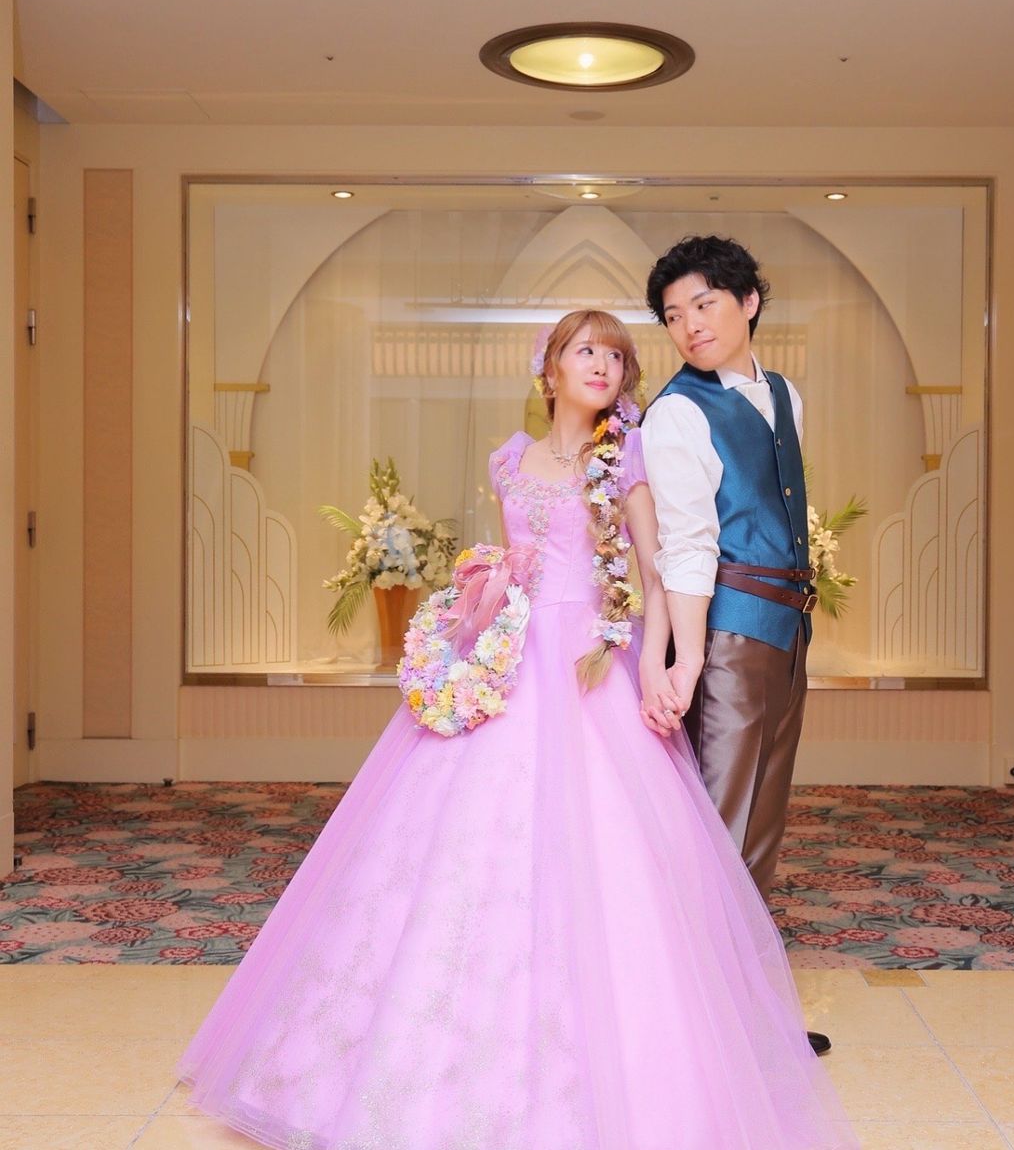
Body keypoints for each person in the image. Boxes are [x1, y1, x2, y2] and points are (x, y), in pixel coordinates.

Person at [178, 310, 854, 1149]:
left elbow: (652, 571)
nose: (602, 365)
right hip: (514, 657)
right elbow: (513, 558)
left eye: (615, 355)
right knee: (456, 852)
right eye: (584, 351)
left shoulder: (628, 456)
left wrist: (655, 664)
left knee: (614, 856)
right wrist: (487, 594)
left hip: (594, 663)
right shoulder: (509, 458)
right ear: (551, 370)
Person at [641, 237, 830, 1056]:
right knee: (713, 830)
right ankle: (688, 1029)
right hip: (726, 637)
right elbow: (686, 545)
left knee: (761, 830)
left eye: (704, 304)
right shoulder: (677, 413)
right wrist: (688, 660)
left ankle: (747, 1020)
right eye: (673, 315)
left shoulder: (784, 393)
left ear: (749, 302)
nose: (689, 325)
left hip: (787, 632)